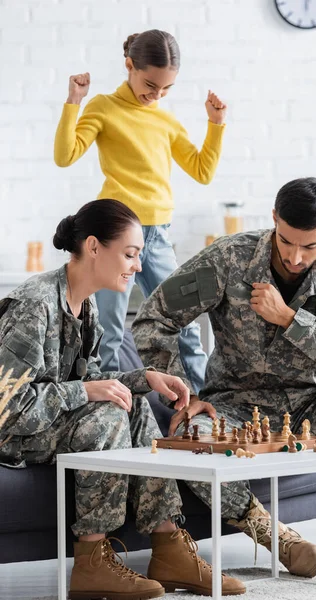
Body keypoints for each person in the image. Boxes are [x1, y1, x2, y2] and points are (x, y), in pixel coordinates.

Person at [132, 176, 316, 592]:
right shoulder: (228, 258)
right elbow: (155, 319)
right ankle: (276, 537)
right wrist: (186, 391)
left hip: (315, 404)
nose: (295, 257)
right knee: (191, 436)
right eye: (286, 240)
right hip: (234, 407)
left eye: (309, 246)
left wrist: (292, 321)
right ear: (274, 219)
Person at [0, 199, 245, 599]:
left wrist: (143, 377)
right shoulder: (34, 305)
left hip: (50, 421)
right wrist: (86, 390)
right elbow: (8, 407)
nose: (136, 266)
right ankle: (92, 561)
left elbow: (93, 378)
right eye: (130, 255)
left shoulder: (86, 303)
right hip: (14, 434)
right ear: (94, 247)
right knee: (108, 416)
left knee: (137, 404)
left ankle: (168, 546)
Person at [54, 29, 227, 393]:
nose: (157, 95)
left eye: (166, 89)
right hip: (117, 237)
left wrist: (215, 125)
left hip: (159, 236)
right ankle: (117, 408)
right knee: (111, 331)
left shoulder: (163, 119)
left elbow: (202, 170)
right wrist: (74, 101)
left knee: (186, 324)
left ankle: (201, 405)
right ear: (129, 65)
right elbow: (65, 155)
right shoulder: (103, 106)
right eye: (151, 84)